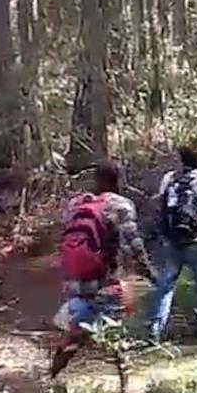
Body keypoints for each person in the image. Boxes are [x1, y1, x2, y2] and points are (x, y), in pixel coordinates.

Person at [52, 161, 154, 377]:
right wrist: (148, 272)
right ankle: (126, 384)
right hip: (107, 279)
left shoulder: (75, 204)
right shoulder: (120, 205)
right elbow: (134, 244)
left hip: (76, 279)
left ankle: (52, 375)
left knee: (77, 330)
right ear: (116, 180)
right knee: (116, 327)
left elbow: (68, 240)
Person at [147, 147, 197, 342]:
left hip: (172, 240)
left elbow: (162, 206)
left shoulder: (169, 178)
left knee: (166, 285)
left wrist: (163, 232)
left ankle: (156, 328)